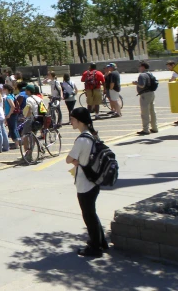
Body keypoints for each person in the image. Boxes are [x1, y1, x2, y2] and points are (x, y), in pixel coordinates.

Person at [66, 107, 108, 257]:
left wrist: (75, 161)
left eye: (72, 119)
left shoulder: (82, 139)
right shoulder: (92, 135)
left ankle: (95, 248)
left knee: (88, 215)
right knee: (91, 213)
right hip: (94, 180)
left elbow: (68, 159)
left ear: (79, 121)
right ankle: (100, 241)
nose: (70, 121)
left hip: (85, 183)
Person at [135, 61, 158, 135]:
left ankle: (145, 129)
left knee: (145, 113)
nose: (139, 68)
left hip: (145, 94)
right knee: (152, 111)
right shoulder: (150, 74)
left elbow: (142, 85)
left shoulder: (142, 75)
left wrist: (136, 83)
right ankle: (154, 128)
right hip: (151, 93)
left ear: (143, 67)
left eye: (139, 66)